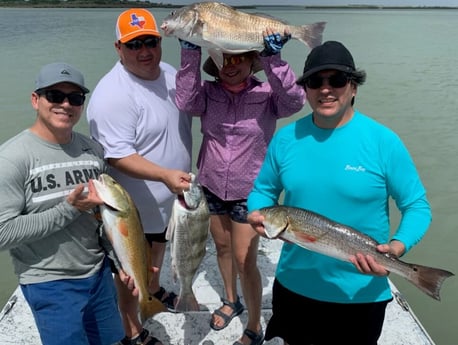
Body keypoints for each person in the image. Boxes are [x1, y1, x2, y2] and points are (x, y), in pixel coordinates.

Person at [246, 40, 432, 345]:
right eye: (315, 82)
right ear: (305, 90)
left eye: (338, 80)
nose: (326, 89)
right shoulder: (286, 139)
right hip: (294, 288)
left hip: (360, 295)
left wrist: (397, 248)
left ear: (354, 87)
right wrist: (257, 212)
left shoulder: (383, 142)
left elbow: (417, 206)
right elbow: (262, 190)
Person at [175, 29, 305, 345]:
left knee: (245, 258)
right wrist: (190, 53)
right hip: (211, 184)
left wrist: (274, 58)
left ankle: (254, 325)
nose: (229, 65)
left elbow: (295, 101)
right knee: (221, 248)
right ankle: (231, 301)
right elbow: (185, 100)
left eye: (237, 58)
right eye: (222, 59)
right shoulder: (207, 93)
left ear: (250, 61)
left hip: (252, 191)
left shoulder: (267, 96)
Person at [86, 8, 193, 345]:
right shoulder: (111, 96)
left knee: (157, 252)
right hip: (131, 208)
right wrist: (164, 175)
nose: (145, 52)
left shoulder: (169, 74)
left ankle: (156, 289)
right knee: (130, 271)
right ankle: (132, 328)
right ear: (119, 48)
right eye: (134, 45)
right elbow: (116, 154)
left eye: (151, 42)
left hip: (169, 200)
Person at [0, 62, 125, 345]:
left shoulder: (93, 151)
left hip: (98, 275)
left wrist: (122, 262)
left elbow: (103, 218)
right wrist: (68, 210)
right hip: (49, 282)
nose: (65, 104)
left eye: (75, 98)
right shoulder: (12, 158)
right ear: (36, 99)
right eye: (55, 96)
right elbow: (2, 232)